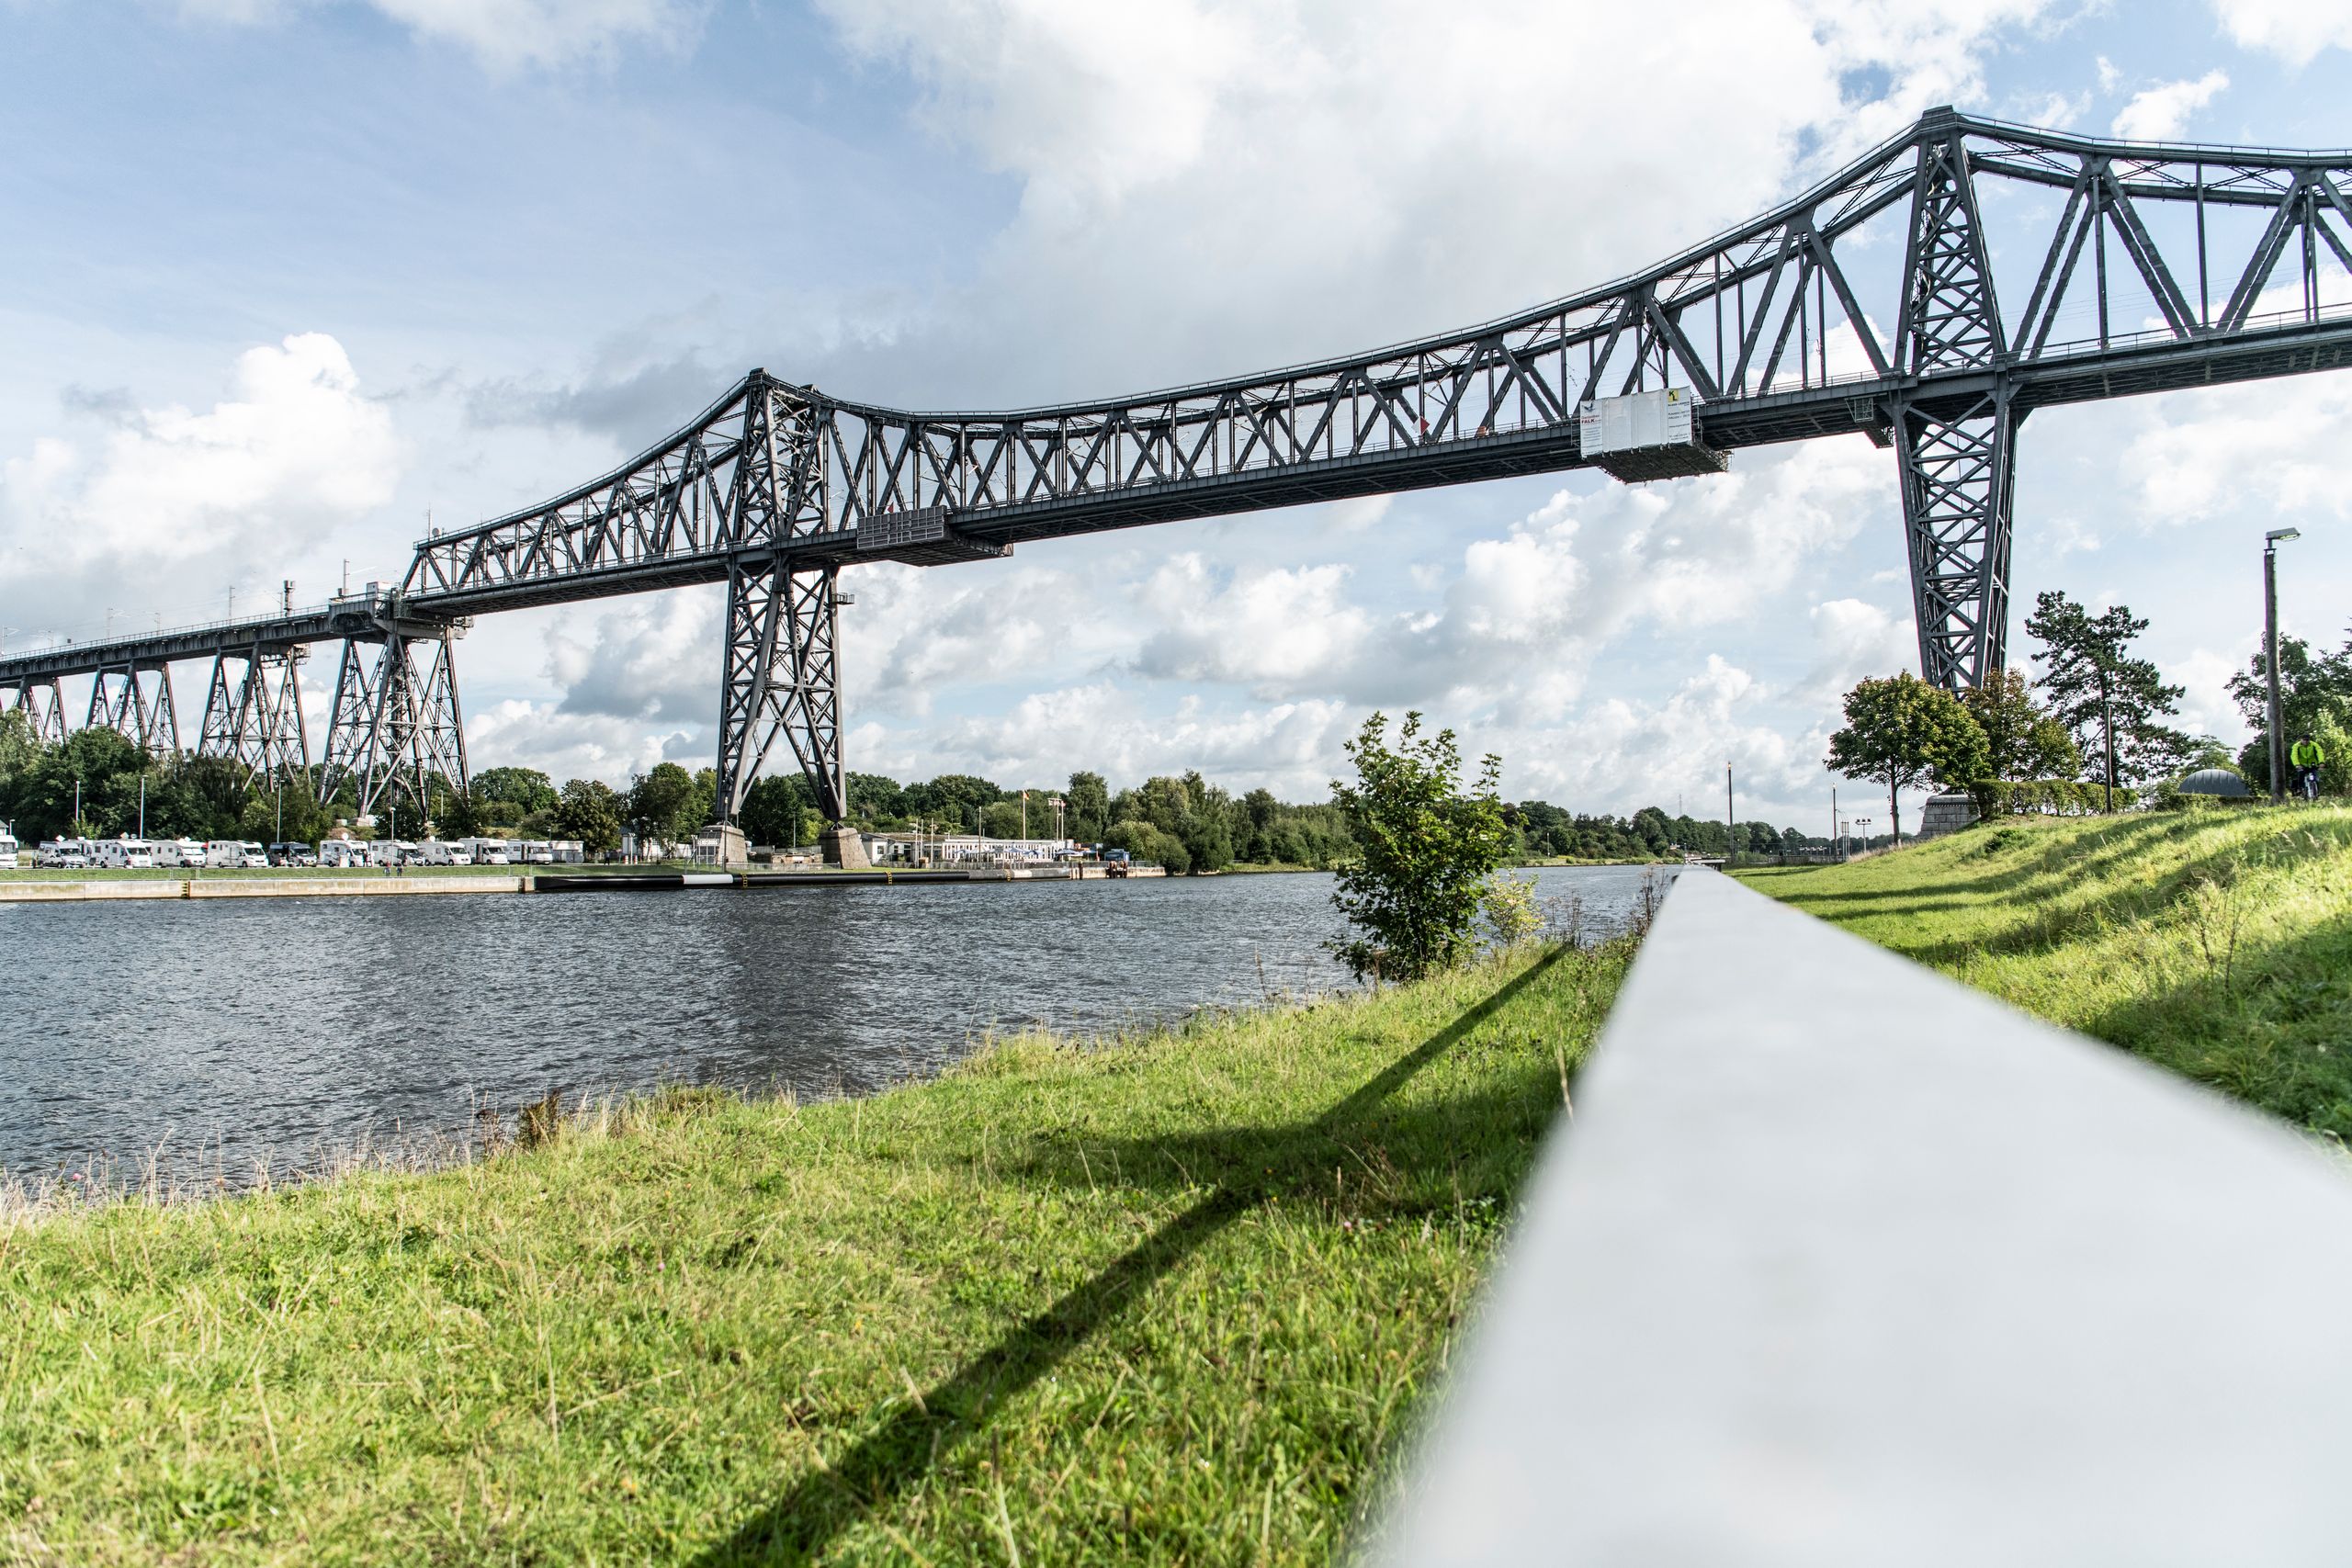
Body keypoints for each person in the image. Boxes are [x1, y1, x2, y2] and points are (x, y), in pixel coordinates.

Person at [2290, 732, 2326, 801]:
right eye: (2304, 740)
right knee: (2301, 774)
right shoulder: (2296, 746)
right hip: (2301, 765)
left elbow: (2320, 753)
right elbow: (2294, 755)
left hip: (2313, 765)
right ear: (2301, 740)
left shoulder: (2314, 745)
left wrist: (2321, 762)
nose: (2305, 741)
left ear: (2309, 740)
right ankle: (2301, 789)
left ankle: (2317, 793)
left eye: (2307, 740)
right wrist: (2297, 764)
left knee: (2316, 779)